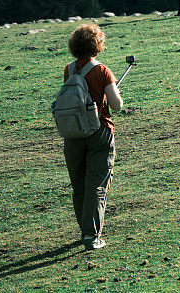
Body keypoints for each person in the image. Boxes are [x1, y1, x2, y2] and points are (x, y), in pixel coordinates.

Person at [62, 23, 123, 250]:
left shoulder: (69, 70)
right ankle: (92, 235)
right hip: (99, 133)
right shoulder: (102, 71)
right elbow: (116, 105)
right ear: (97, 45)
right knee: (96, 185)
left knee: (79, 185)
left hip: (73, 133)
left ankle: (85, 230)